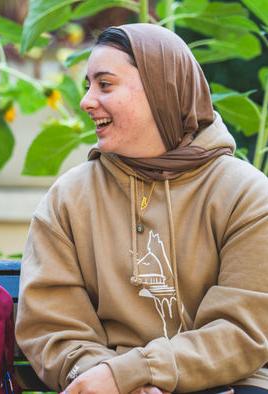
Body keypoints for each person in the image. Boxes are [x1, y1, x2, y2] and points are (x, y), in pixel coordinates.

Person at [16, 23, 268, 394]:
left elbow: (242, 331)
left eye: (105, 84)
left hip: (232, 384)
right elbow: (52, 327)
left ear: (160, 88)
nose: (86, 101)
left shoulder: (245, 194)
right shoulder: (69, 198)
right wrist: (109, 380)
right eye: (88, 86)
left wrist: (137, 373)